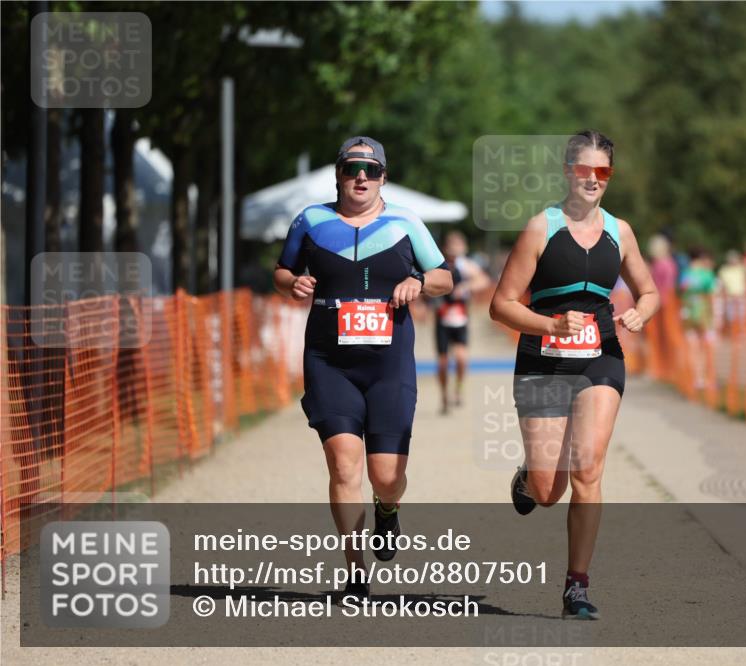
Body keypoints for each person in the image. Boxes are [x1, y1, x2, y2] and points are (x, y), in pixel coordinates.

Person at [273, 137, 453, 599]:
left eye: (370, 170)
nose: (361, 177)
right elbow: (281, 272)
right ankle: (355, 571)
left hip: (388, 362)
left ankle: (387, 508)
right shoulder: (310, 220)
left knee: (387, 476)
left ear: (383, 178)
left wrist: (418, 281)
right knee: (342, 465)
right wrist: (292, 283)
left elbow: (444, 276)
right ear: (338, 173)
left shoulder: (405, 222)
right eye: (352, 168)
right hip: (329, 360)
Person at [489, 130, 659, 620]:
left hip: (600, 355)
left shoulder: (620, 231)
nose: (592, 179)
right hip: (543, 356)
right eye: (584, 170)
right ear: (568, 171)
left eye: (601, 171)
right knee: (548, 490)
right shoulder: (540, 228)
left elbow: (648, 291)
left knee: (588, 469)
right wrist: (550, 324)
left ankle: (577, 587)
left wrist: (641, 313)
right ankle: (527, 479)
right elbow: (501, 305)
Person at [433, 230, 491, 414]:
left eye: (457, 245)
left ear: (463, 247)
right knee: (442, 362)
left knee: (461, 358)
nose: (454, 249)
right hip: (442, 318)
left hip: (460, 317)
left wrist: (466, 286)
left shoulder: (466, 265)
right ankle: (444, 396)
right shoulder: (437, 264)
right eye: (451, 245)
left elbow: (484, 280)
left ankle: (458, 387)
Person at [679, 248, 717, 392]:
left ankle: (697, 378)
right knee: (708, 346)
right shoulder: (707, 274)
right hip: (703, 312)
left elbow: (682, 291)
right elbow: (712, 295)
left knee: (693, 346)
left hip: (688, 311)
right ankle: (709, 379)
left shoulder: (686, 274)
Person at [717, 249, 746, 330]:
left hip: (741, 296)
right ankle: (733, 333)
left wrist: (744, 261)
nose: (733, 260)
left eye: (735, 258)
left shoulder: (742, 268)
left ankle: (741, 333)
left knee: (742, 318)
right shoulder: (724, 270)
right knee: (731, 318)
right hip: (729, 297)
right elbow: (721, 284)